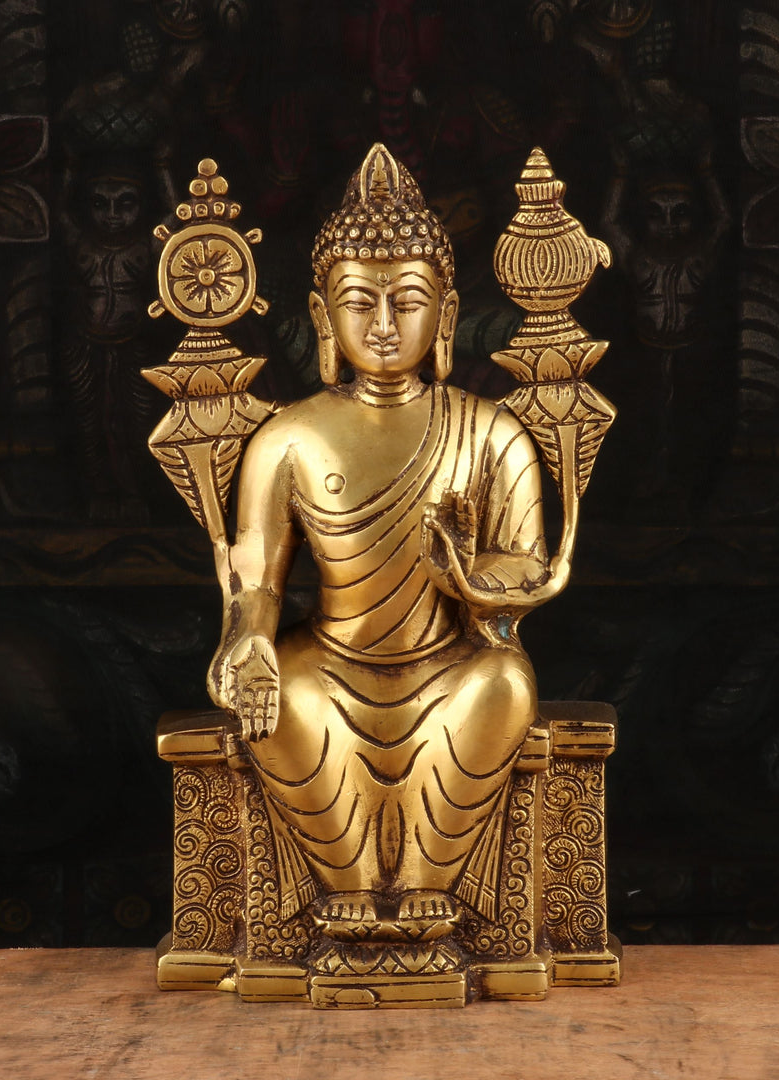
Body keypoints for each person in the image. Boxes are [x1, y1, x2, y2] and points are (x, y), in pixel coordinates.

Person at [206, 144, 548, 927]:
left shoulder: (492, 434)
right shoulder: (288, 439)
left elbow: (526, 567)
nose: (386, 326)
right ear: (322, 316)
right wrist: (248, 639)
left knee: (508, 683)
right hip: (327, 667)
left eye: (409, 301)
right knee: (277, 699)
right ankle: (351, 888)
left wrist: (471, 577)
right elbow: (256, 581)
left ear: (447, 315)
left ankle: (428, 884)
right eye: (361, 303)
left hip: (450, 667)